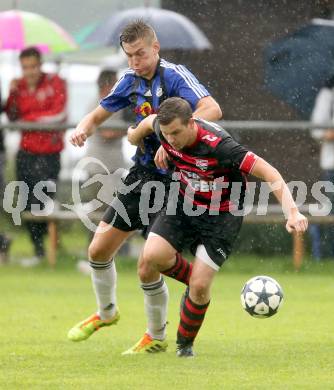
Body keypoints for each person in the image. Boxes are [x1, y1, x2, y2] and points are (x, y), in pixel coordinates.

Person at [68, 20, 222, 343]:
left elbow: (212, 109)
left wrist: (171, 134)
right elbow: (97, 115)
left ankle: (156, 336)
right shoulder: (129, 81)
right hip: (141, 176)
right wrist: (83, 128)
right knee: (97, 250)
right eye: (129, 57)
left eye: (141, 54)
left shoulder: (175, 76)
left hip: (176, 180)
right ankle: (107, 312)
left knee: (147, 264)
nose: (135, 62)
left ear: (156, 48)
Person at [124, 97, 308, 357]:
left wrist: (292, 212)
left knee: (199, 288)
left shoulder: (221, 146)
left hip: (222, 215)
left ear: (192, 123)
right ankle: (197, 283)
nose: (171, 139)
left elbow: (270, 173)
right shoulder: (164, 130)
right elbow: (147, 123)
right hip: (184, 203)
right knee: (152, 257)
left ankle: (184, 346)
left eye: (176, 133)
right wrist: (134, 137)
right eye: (166, 135)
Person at [5, 47, 67, 266]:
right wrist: (12, 93)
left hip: (49, 153)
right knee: (26, 203)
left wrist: (29, 119)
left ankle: (51, 252)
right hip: (26, 153)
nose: (29, 72)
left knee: (45, 202)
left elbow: (59, 114)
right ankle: (38, 251)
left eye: (33, 66)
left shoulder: (56, 82)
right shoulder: (18, 87)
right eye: (25, 68)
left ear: (40, 64)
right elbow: (12, 118)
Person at [309, 84, 334, 259]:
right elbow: (317, 130)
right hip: (332, 166)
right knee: (329, 213)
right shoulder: (328, 94)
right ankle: (323, 256)